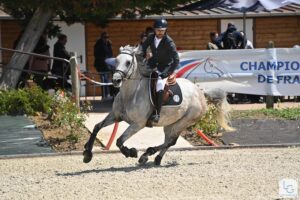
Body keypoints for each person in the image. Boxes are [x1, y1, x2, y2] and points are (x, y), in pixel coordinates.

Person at [142, 18, 180, 123]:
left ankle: (157, 113)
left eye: (162, 30)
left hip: (165, 68)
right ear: (154, 30)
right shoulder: (151, 38)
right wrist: (142, 57)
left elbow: (176, 60)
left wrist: (167, 73)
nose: (160, 32)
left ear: (165, 30)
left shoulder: (169, 42)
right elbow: (142, 48)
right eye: (158, 30)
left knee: (159, 85)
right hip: (152, 64)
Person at [94, 31, 114, 99]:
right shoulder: (98, 44)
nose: (106, 39)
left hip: (107, 64)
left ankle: (107, 94)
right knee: (104, 79)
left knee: (107, 79)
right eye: (105, 37)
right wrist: (104, 59)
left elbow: (110, 54)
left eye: (107, 37)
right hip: (101, 65)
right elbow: (96, 55)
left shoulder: (108, 44)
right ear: (102, 37)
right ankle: (105, 95)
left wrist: (111, 62)